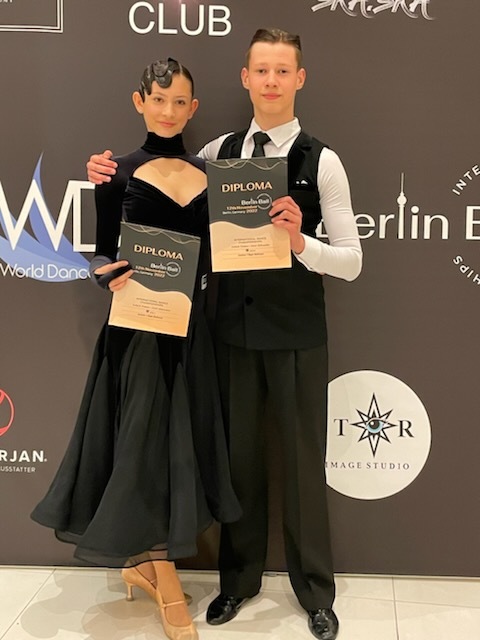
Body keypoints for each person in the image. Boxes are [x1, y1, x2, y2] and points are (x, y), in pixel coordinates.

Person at [86, 28, 362, 640]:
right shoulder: (215, 153)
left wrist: (301, 242)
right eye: (261, 70)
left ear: (299, 79)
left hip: (297, 336)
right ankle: (237, 583)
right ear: (245, 79)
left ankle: (315, 593)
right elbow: (160, 191)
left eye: (282, 70)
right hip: (228, 334)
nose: (271, 81)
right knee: (239, 465)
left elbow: (352, 262)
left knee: (301, 467)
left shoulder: (323, 160)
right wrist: (104, 173)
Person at [32, 57, 241, 640]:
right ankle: (164, 576)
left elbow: (227, 252)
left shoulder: (212, 175)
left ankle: (146, 565)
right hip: (136, 332)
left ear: (193, 109)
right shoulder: (114, 173)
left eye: (179, 102)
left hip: (191, 331)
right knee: (143, 445)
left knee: (179, 447)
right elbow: (102, 252)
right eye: (159, 100)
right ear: (139, 102)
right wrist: (103, 273)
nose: (169, 111)